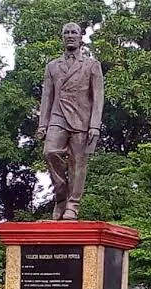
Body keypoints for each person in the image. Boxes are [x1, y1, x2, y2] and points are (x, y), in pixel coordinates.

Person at [36, 22, 105, 220]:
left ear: (81, 37)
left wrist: (95, 125)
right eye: (66, 32)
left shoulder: (92, 65)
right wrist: (43, 124)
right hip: (58, 116)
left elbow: (98, 97)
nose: (70, 35)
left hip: (82, 119)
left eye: (74, 32)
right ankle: (61, 197)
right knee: (50, 153)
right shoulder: (52, 66)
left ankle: (72, 205)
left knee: (78, 164)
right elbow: (47, 97)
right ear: (62, 37)